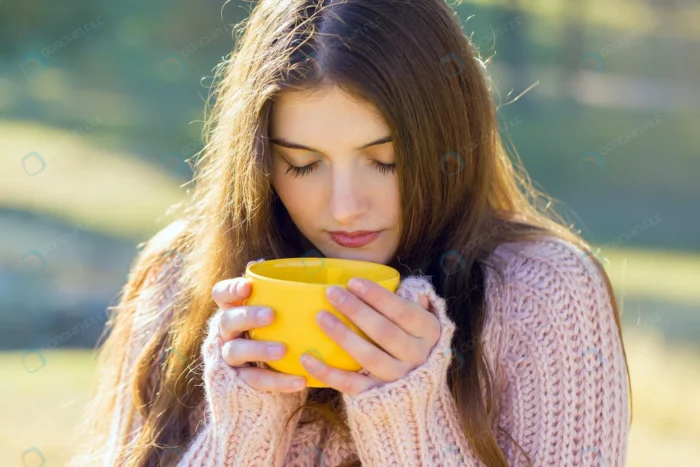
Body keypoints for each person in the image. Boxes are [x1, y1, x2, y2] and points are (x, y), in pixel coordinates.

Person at [67, 0, 631, 466]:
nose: (344, 208)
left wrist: (407, 423)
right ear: (259, 162)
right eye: (304, 164)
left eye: (385, 160)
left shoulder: (546, 295)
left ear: (451, 141)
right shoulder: (179, 280)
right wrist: (241, 430)